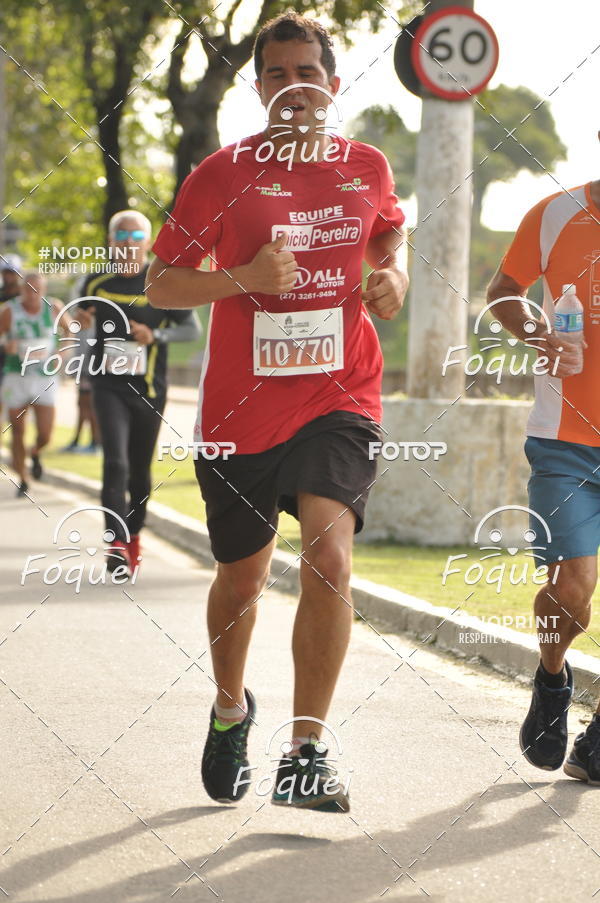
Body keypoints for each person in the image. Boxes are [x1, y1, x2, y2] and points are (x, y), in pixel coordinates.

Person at [147, 12, 408, 811]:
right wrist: (246, 277)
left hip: (340, 392)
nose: (295, 88)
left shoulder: (367, 167)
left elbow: (385, 243)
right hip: (241, 407)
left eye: (309, 74)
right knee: (244, 575)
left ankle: (305, 750)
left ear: (332, 84)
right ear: (259, 87)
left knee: (330, 554)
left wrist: (390, 283)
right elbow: (162, 284)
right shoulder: (220, 176)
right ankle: (232, 707)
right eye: (278, 75)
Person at [487, 164, 600, 785]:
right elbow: (503, 289)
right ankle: (553, 675)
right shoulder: (555, 214)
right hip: (565, 442)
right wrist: (539, 333)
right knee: (571, 592)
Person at [76, 209, 200, 574]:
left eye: (135, 238)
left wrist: (155, 335)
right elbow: (78, 319)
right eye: (121, 238)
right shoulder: (95, 282)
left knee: (139, 472)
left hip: (148, 389)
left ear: (147, 243)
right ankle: (114, 542)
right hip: (107, 384)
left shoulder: (160, 282)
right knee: (115, 462)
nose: (128, 245)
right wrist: (76, 321)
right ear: (111, 241)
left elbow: (190, 330)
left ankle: (133, 535)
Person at [0, 271, 70, 496]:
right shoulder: (10, 311)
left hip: (44, 379)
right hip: (15, 377)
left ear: (44, 290)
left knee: (45, 434)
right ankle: (23, 478)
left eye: (37, 290)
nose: (32, 294)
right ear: (21, 290)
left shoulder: (54, 308)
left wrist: (62, 352)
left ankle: (36, 451)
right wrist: (6, 345)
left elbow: (70, 331)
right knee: (17, 430)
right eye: (28, 289)